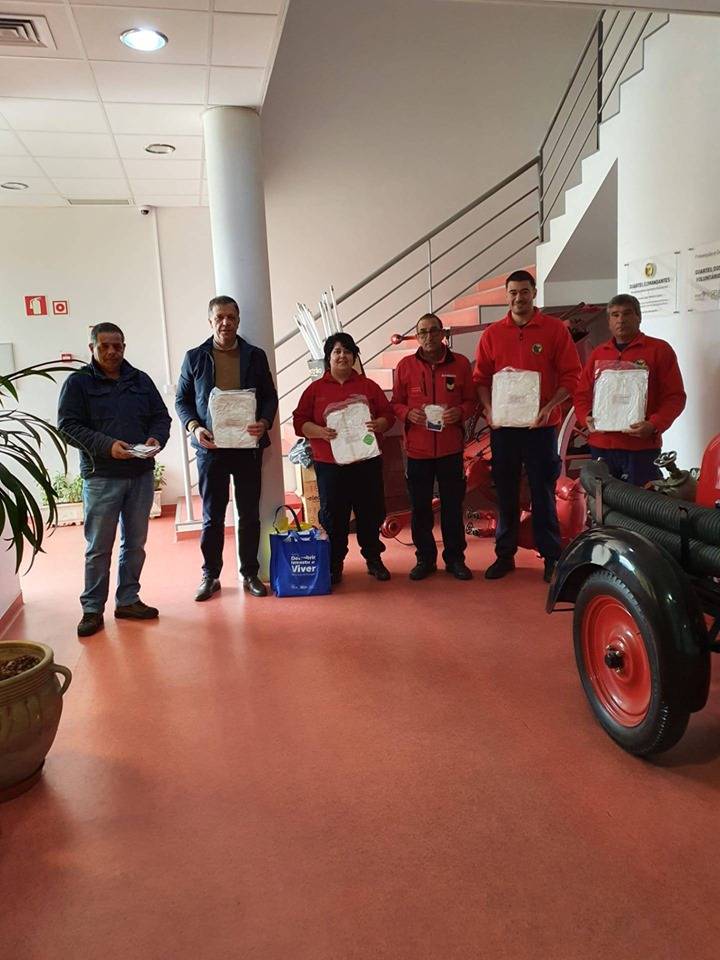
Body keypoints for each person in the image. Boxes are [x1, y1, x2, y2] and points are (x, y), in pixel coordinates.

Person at [58, 322, 171, 638]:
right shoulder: (78, 383)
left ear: (124, 347)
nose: (111, 352)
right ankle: (92, 609)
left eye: (117, 346)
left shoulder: (140, 380)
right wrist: (107, 446)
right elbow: (68, 427)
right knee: (98, 548)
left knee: (135, 544)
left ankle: (128, 600)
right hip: (101, 477)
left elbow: (161, 417)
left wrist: (155, 438)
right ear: (92, 347)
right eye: (104, 346)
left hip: (140, 475)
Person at [473, 269, 581, 582]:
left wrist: (549, 408)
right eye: (513, 292)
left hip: (541, 428)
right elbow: (481, 379)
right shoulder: (493, 334)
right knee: (505, 491)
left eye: (524, 291)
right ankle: (504, 554)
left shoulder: (554, 330)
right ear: (506, 296)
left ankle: (551, 556)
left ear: (534, 293)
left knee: (542, 491)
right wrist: (489, 409)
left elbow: (571, 376)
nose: (518, 298)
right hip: (504, 429)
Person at [175, 296, 278, 600]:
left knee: (248, 514)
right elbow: (181, 400)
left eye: (231, 317)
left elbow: (269, 396)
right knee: (212, 517)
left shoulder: (255, 356)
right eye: (219, 317)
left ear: (238, 320)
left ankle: (250, 573)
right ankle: (211, 576)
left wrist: (264, 422)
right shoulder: (195, 357)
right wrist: (194, 427)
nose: (225, 323)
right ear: (210, 321)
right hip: (211, 449)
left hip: (247, 448)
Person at [292, 333, 395, 585]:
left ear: (354, 356)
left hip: (366, 462)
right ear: (328, 358)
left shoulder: (368, 386)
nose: (342, 356)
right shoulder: (315, 389)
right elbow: (299, 422)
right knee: (334, 516)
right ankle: (335, 563)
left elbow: (388, 415)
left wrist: (379, 424)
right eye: (336, 351)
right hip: (330, 466)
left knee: (370, 513)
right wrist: (319, 432)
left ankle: (373, 559)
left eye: (347, 351)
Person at [391, 313, 477, 581]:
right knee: (420, 509)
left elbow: (471, 400)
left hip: (451, 449)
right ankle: (425, 560)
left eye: (433, 331)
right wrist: (408, 414)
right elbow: (395, 403)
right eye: (423, 332)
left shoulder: (461, 364)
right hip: (417, 452)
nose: (428, 336)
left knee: (452, 507)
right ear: (417, 337)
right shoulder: (405, 366)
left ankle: (455, 559)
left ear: (442, 334)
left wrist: (460, 412)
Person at [574, 293, 686, 485]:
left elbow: (675, 397)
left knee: (642, 501)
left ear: (639, 317)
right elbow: (581, 395)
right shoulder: (598, 354)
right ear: (609, 321)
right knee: (602, 501)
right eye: (615, 315)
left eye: (627, 313)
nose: (621, 320)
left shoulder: (659, 350)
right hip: (602, 446)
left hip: (641, 448)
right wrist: (586, 416)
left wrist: (654, 425)